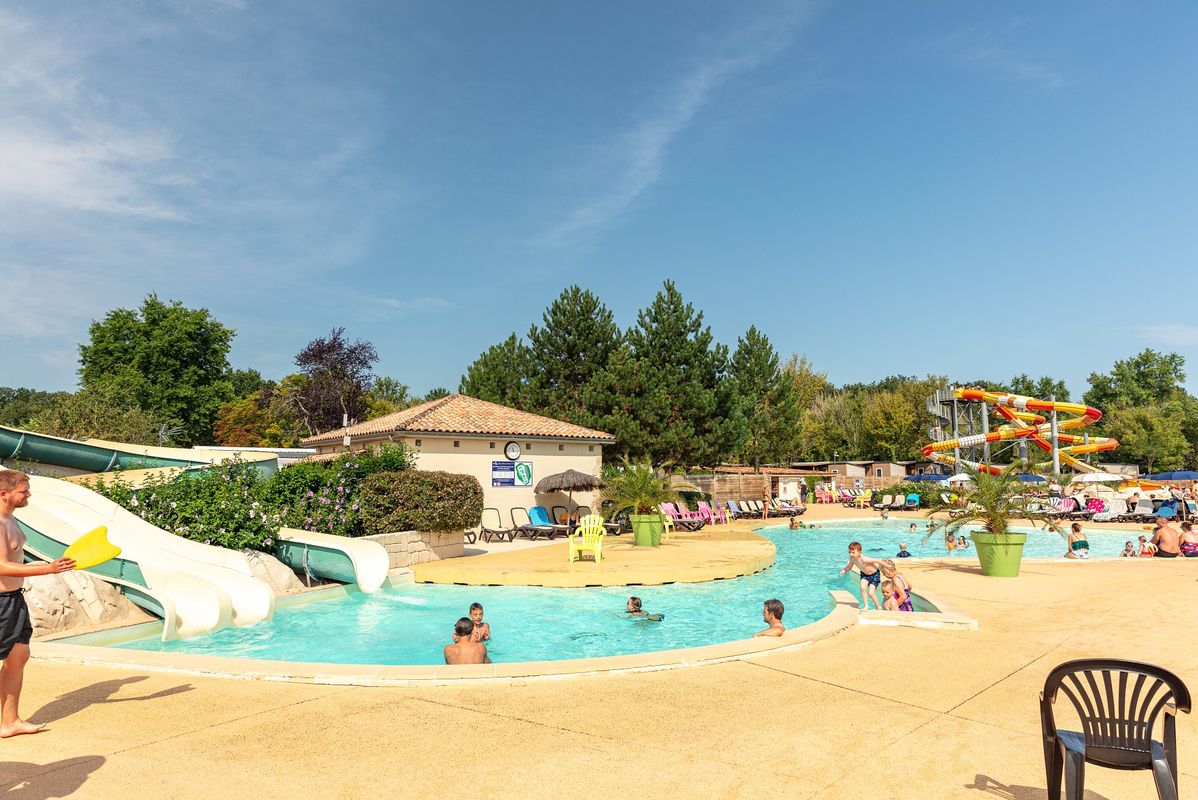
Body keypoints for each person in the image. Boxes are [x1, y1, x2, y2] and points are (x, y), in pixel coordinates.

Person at [0, 470, 76, 738]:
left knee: (19, 656)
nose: (28, 494)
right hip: (0, 602)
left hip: (13, 600)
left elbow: (16, 562)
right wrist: (48, 570)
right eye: (24, 491)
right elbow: (0, 567)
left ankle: (9, 721)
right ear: (4, 494)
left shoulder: (12, 521)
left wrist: (48, 565)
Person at [838, 542, 884, 611]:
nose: (851, 554)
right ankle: (866, 606)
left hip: (874, 575)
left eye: (853, 552)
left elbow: (877, 560)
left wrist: (886, 566)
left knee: (871, 593)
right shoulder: (852, 559)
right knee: (862, 588)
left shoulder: (864, 559)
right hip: (864, 575)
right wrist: (844, 570)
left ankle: (878, 606)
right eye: (849, 552)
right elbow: (849, 567)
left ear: (859, 552)